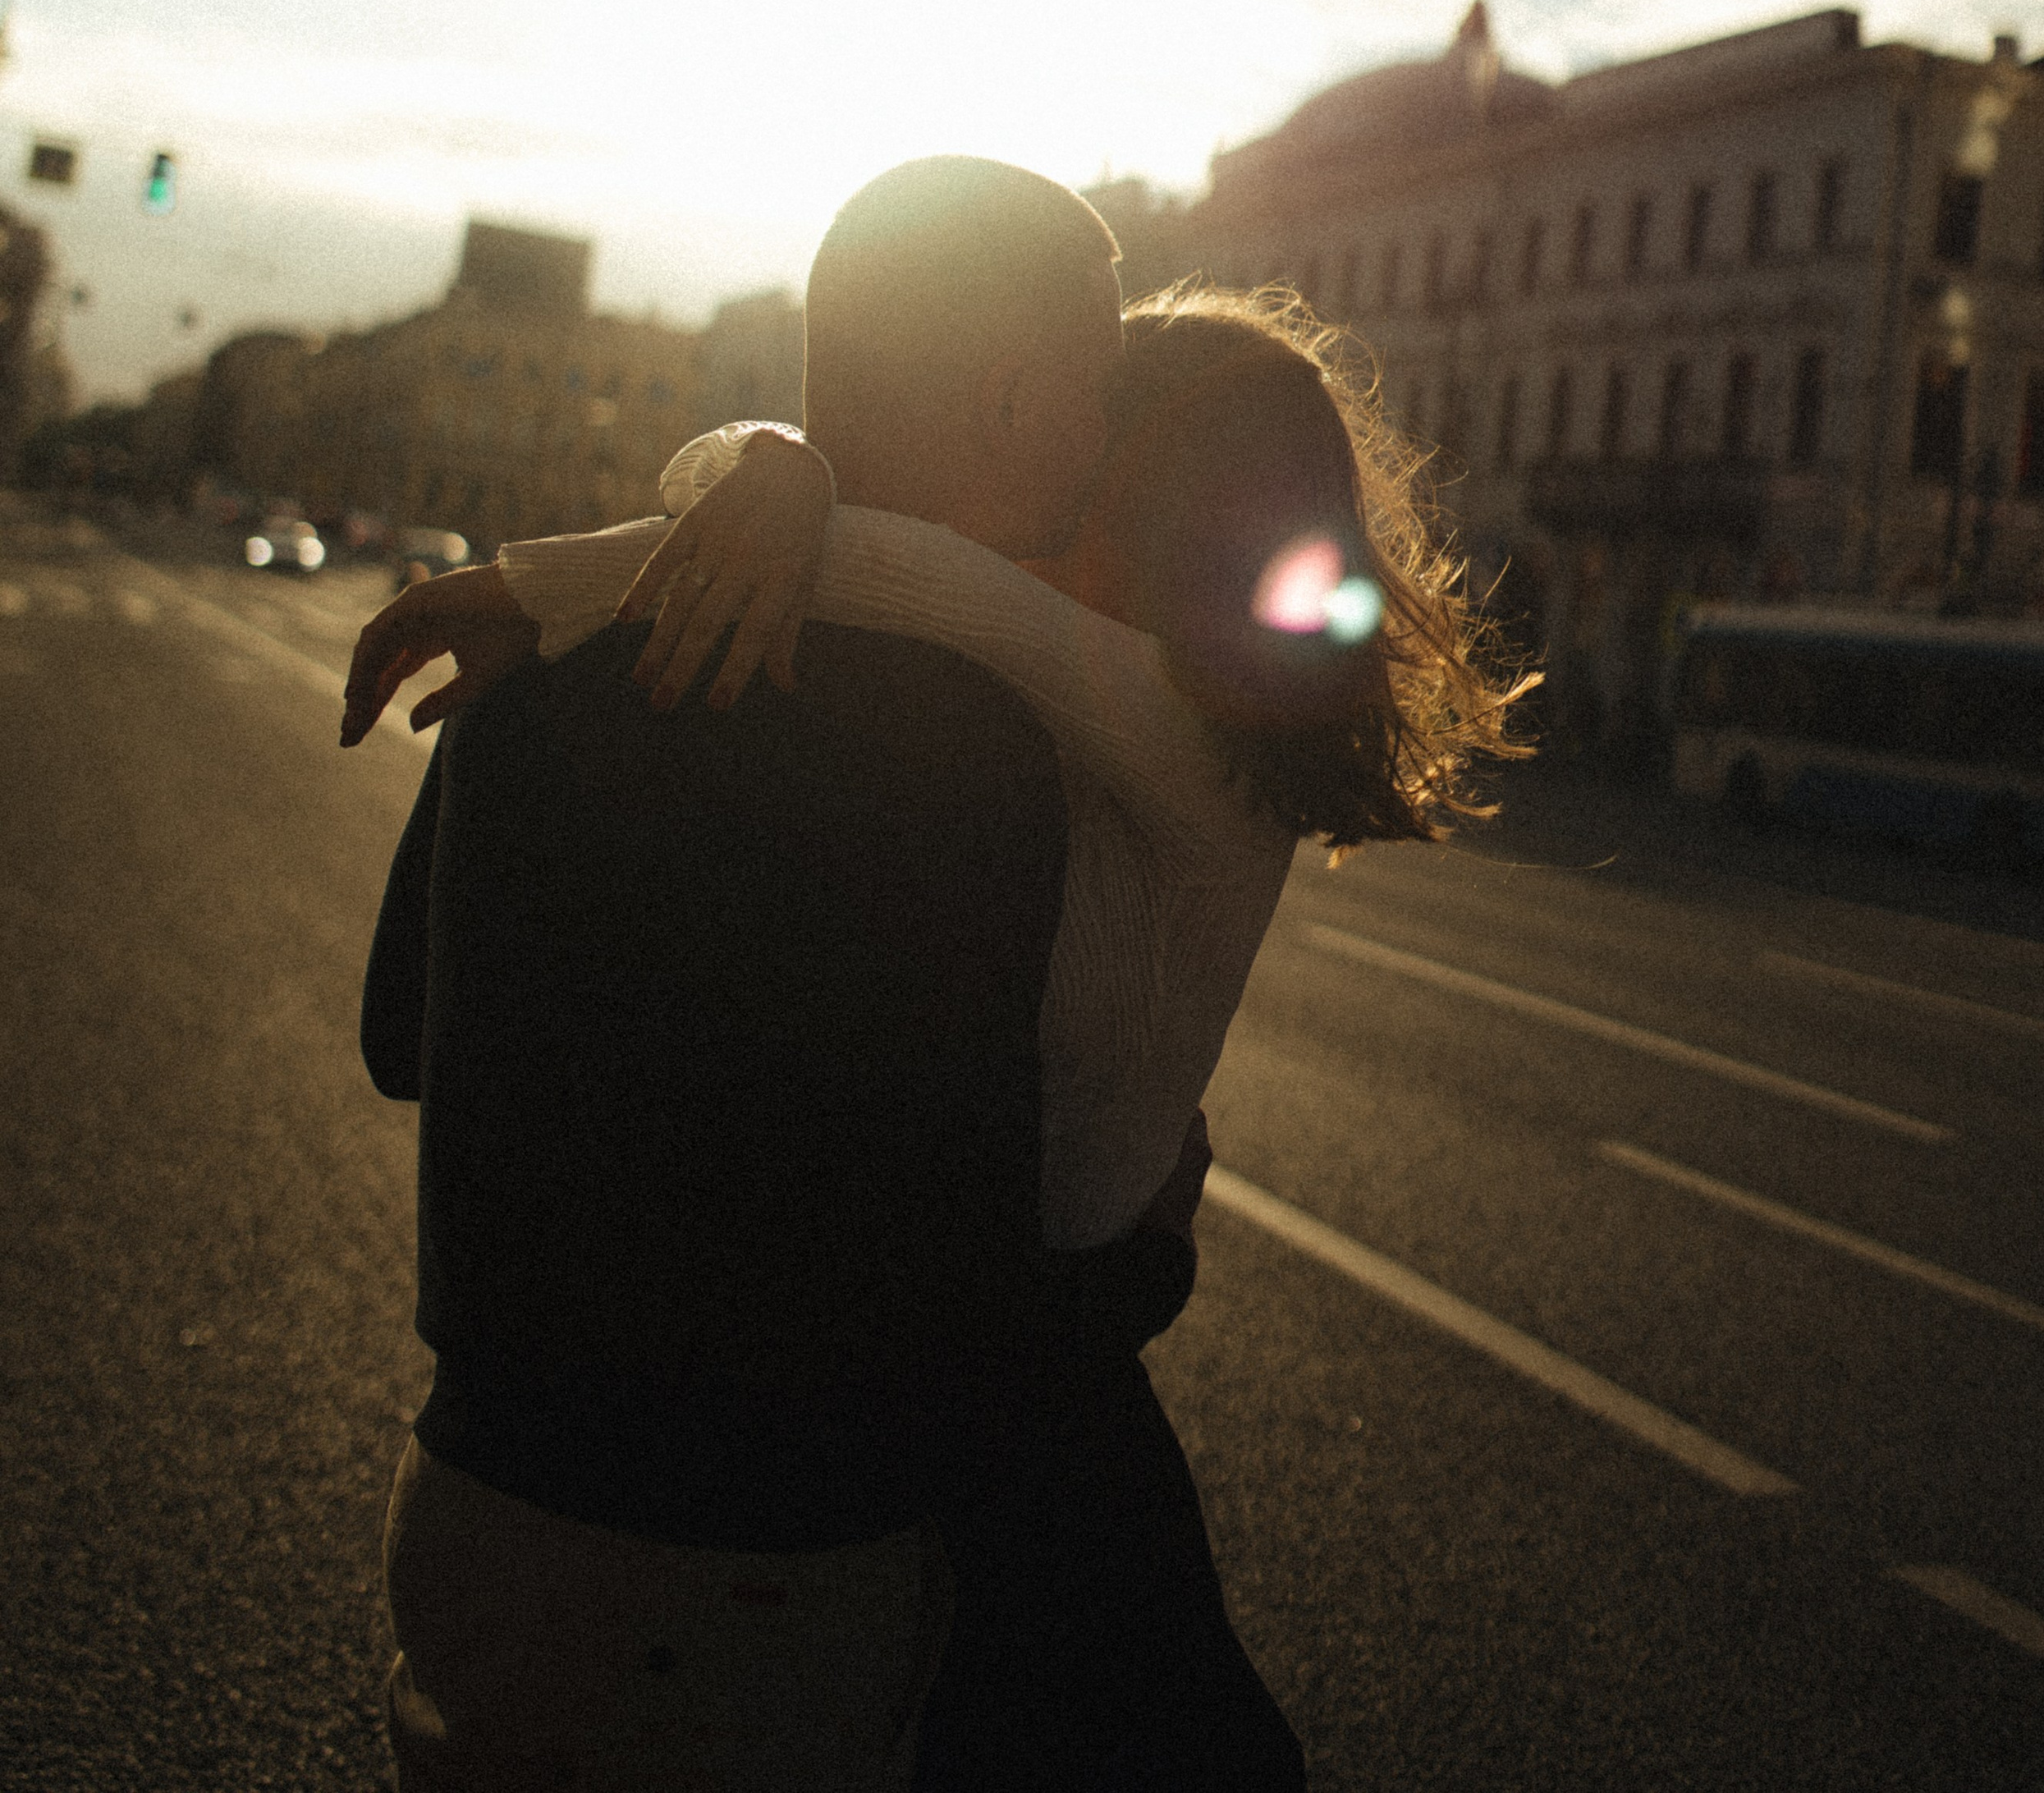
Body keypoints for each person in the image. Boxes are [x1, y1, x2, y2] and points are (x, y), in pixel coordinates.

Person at [349, 275, 1524, 1788]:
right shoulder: (1118, 713)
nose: (1036, 505)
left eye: (1081, 468)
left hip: (1014, 1438)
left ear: (1150, 506)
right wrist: (780, 469)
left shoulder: (1175, 738)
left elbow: (921, 577)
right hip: (961, 1392)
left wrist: (593, 564)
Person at [356, 156, 1125, 1791]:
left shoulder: (545, 657)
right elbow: (999, 1217)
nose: (1105, 446)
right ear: (1010, 393)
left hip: (493, 1500)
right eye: (1094, 398)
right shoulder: (986, 754)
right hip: (790, 1553)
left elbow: (394, 1045)